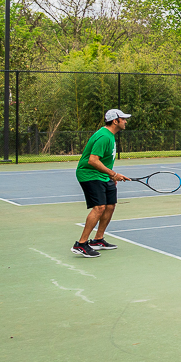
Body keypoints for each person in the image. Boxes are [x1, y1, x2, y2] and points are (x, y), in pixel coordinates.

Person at [72, 109, 131, 257]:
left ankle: (98, 240)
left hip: (103, 175)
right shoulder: (104, 136)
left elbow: (104, 160)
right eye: (123, 119)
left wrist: (110, 176)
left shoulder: (110, 136)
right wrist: (114, 174)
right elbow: (92, 160)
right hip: (89, 174)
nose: (125, 121)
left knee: (110, 205)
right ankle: (81, 244)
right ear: (115, 121)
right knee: (99, 207)